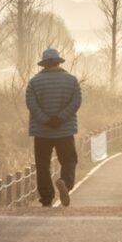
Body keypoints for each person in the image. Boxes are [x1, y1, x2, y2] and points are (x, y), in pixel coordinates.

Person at [25, 47, 82, 207]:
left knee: (43, 165)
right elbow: (76, 101)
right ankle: (65, 183)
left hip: (42, 131)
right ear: (58, 62)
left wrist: (46, 120)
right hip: (65, 130)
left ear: (44, 64)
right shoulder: (72, 80)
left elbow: (31, 104)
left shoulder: (34, 82)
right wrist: (61, 118)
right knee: (69, 160)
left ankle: (47, 198)